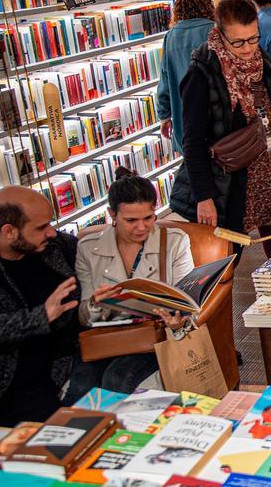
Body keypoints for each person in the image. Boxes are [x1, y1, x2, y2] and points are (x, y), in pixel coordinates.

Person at [168, 0, 271, 260]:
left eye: (253, 38)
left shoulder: (263, 61)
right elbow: (192, 140)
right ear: (219, 34)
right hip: (232, 181)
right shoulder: (203, 72)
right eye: (238, 42)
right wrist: (204, 196)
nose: (248, 48)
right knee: (226, 259)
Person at [66, 169, 194, 399]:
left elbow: (188, 300)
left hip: (153, 337)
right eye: (131, 220)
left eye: (148, 217)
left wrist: (178, 319)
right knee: (80, 388)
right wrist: (96, 303)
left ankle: (122, 434)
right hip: (107, 336)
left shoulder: (174, 242)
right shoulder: (88, 248)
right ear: (111, 215)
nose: (142, 227)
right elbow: (84, 317)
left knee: (118, 380)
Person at [0, 187, 80, 426]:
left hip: (58, 367)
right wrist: (40, 316)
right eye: (41, 227)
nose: (52, 232)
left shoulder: (55, 247)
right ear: (9, 231)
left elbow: (90, 247)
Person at [158, 0, 216, 154]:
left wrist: (164, 116)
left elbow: (165, 81)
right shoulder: (215, 30)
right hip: (214, 112)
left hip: (184, 117)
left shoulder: (170, 37)